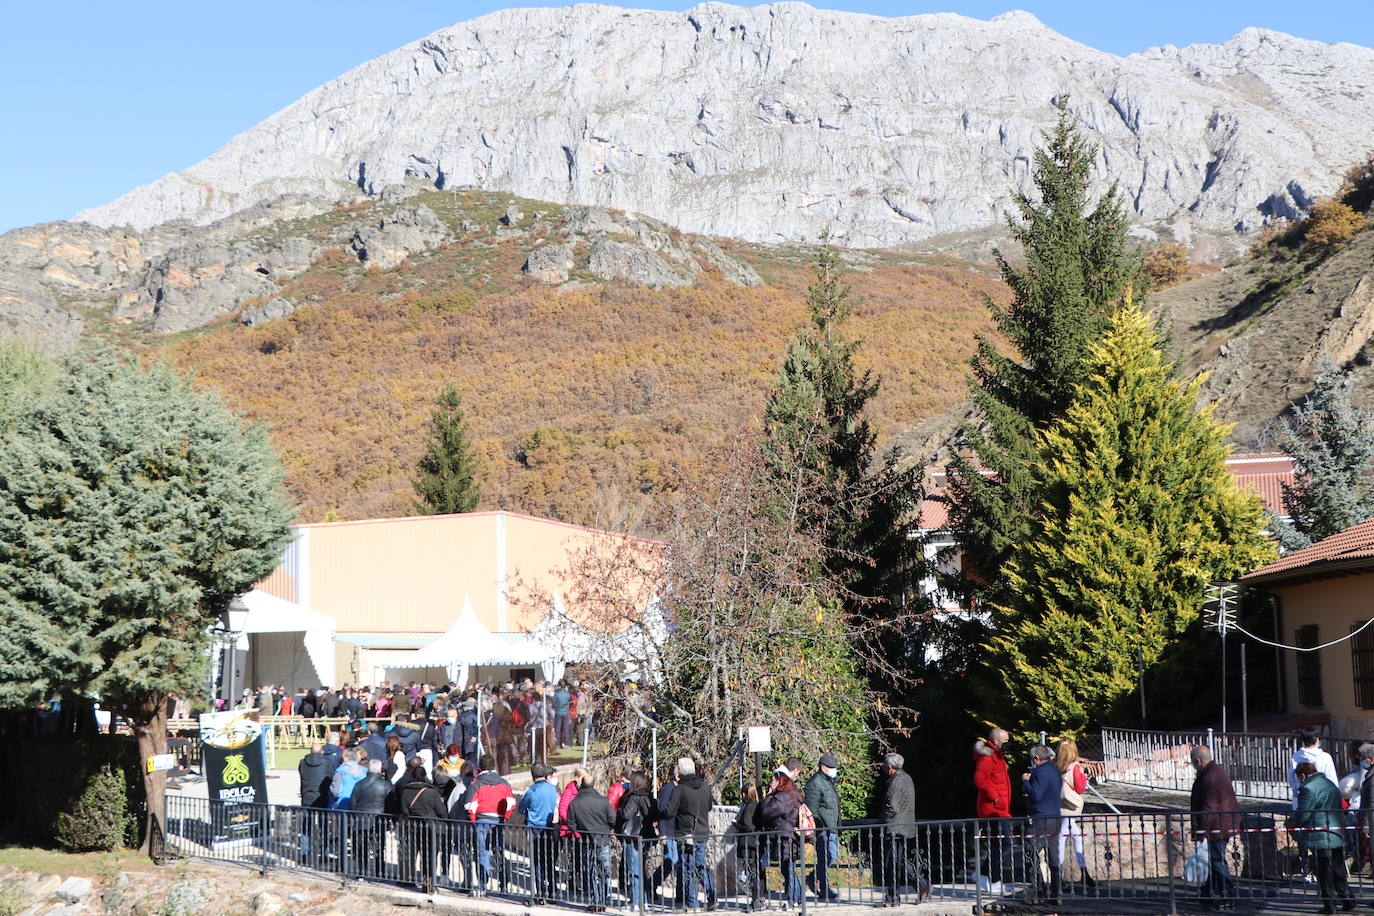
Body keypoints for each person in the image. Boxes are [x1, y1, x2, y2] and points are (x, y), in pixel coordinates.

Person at [1293, 760, 1355, 915]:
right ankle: (1347, 899)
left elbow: (1304, 814)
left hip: (1320, 835)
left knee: (1324, 871)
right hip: (1337, 831)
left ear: (1302, 775)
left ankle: (1330, 905)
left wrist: (1296, 819)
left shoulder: (1307, 788)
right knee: (1338, 867)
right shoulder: (1329, 784)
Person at [1189, 745, 1240, 909]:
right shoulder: (1215, 772)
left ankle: (1228, 896)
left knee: (1217, 861)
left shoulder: (1210, 777)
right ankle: (1206, 894)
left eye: (1193, 762)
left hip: (1217, 827)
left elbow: (1208, 808)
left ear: (1198, 761)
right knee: (1211, 860)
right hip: (1221, 824)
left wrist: (1201, 832)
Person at [666, 757, 718, 910]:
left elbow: (670, 811)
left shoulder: (679, 790)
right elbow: (709, 807)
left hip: (686, 833)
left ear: (680, 772)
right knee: (701, 866)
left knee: (688, 867)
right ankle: (712, 896)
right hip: (702, 833)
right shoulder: (705, 787)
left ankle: (692, 902)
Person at [875, 752, 924, 908]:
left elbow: (892, 806)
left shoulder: (896, 781)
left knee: (894, 863)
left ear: (890, 767)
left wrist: (883, 819)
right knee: (898, 862)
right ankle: (915, 888)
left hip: (895, 828)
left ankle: (894, 896)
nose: (882, 767)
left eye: (884, 765)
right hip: (903, 827)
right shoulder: (906, 778)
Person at [466, 754, 515, 894]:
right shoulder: (504, 783)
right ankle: (504, 884)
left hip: (481, 821)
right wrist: (504, 818)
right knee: (499, 852)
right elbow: (511, 804)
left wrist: (473, 819)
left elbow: (469, 805)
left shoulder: (476, 783)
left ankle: (483, 886)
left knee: (483, 853)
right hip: (498, 821)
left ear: (480, 768)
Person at [398, 759, 450, 891]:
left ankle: (407, 879)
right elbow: (442, 811)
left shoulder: (405, 791)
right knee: (429, 857)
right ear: (425, 776)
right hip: (429, 828)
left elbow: (404, 810)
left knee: (410, 855)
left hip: (411, 827)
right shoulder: (431, 792)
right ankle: (428, 884)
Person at [569, 773, 616, 912]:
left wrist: (581, 832)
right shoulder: (603, 800)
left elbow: (571, 824)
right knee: (604, 871)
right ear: (593, 785)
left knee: (590, 872)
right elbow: (612, 819)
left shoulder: (575, 803)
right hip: (603, 840)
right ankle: (603, 899)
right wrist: (606, 829)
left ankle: (595, 901)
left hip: (586, 841)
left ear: (582, 785)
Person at [1022, 745, 1063, 905]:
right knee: (1053, 855)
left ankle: (1037, 892)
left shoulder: (1038, 773)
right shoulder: (1055, 771)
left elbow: (1036, 794)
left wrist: (1025, 782)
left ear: (1036, 759)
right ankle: (1056, 893)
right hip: (1055, 817)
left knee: (1031, 853)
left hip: (1039, 818)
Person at [974, 728, 1012, 891]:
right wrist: (994, 796)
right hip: (994, 809)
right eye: (1005, 740)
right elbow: (979, 779)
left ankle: (982, 874)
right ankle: (994, 880)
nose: (1008, 743)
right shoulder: (989, 757)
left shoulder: (997, 756)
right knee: (1002, 843)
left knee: (1002, 843)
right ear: (997, 741)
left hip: (1000, 808)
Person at [1054, 738, 1096, 890]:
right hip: (1071, 808)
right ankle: (1063, 875)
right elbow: (1079, 788)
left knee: (1073, 836)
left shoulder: (1055, 766)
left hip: (1059, 805)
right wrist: (1085, 777)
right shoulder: (1075, 767)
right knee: (1065, 838)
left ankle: (1084, 873)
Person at [520, 762, 562, 904]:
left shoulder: (531, 791)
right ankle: (552, 892)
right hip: (550, 828)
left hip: (534, 828)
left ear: (532, 776)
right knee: (549, 860)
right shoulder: (552, 789)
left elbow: (521, 808)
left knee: (537, 862)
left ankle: (540, 892)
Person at [760, 770, 803, 907]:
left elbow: (766, 811)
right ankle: (797, 897)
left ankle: (793, 900)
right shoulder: (794, 793)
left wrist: (769, 794)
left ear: (780, 781)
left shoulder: (782, 797)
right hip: (792, 837)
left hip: (785, 837)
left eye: (773, 780)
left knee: (788, 869)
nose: (771, 782)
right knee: (789, 868)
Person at [616, 770, 657, 911]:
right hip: (645, 836)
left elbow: (626, 814)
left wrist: (619, 810)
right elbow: (653, 815)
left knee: (633, 870)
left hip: (632, 837)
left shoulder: (633, 797)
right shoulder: (649, 797)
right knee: (641, 870)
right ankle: (644, 902)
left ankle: (635, 903)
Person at [804, 753, 842, 901]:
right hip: (823, 829)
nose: (834, 770)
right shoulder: (815, 783)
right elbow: (813, 809)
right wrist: (818, 829)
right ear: (822, 767)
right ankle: (823, 887)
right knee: (826, 857)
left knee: (831, 856)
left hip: (831, 827)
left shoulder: (827, 782)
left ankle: (813, 879)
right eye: (831, 767)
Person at [352, 759, 395, 878]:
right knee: (379, 848)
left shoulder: (359, 784)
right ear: (380, 770)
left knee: (362, 848)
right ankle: (379, 871)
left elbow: (353, 803)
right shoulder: (386, 785)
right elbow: (390, 804)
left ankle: (362, 872)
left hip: (362, 819)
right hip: (379, 820)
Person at [298, 742, 336, 866]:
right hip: (321, 798)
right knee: (323, 827)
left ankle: (304, 853)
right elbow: (330, 777)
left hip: (307, 797)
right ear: (322, 752)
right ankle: (323, 853)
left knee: (306, 827)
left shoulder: (303, 763)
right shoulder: (326, 763)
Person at [649, 766, 680, 904]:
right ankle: (651, 884)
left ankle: (679, 893)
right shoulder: (668, 789)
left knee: (676, 862)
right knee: (671, 860)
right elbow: (662, 811)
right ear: (677, 776)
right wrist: (663, 834)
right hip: (669, 832)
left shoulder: (677, 789)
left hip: (676, 832)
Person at [1290, 730, 1341, 810]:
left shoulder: (1297, 756)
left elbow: (1292, 776)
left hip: (1302, 794)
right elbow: (1331, 777)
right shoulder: (1325, 757)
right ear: (1317, 740)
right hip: (1323, 795)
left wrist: (1295, 792)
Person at [735, 782, 764, 911]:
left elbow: (747, 825)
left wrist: (737, 826)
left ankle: (756, 900)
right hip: (754, 842)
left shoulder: (749, 807)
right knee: (753, 871)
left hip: (748, 843)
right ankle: (757, 900)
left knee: (749, 873)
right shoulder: (756, 806)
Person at [554, 682, 573, 750]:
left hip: (558, 712)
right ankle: (567, 744)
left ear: (559, 686)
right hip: (565, 712)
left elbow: (554, 702)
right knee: (566, 728)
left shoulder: (557, 694)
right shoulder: (567, 694)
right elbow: (571, 703)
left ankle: (557, 744)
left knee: (557, 729)